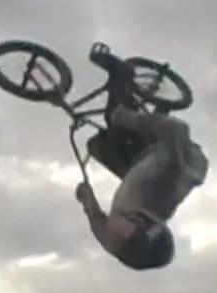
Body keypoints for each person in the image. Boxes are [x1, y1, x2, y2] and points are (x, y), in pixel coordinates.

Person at [76, 52, 209, 270]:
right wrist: (130, 119)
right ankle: (122, 73)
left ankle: (151, 119)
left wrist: (86, 198)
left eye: (120, 241)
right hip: (184, 158)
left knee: (98, 147)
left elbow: (96, 219)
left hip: (143, 172)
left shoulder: (113, 241)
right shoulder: (163, 190)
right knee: (116, 120)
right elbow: (179, 131)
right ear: (145, 224)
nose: (116, 230)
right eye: (127, 233)